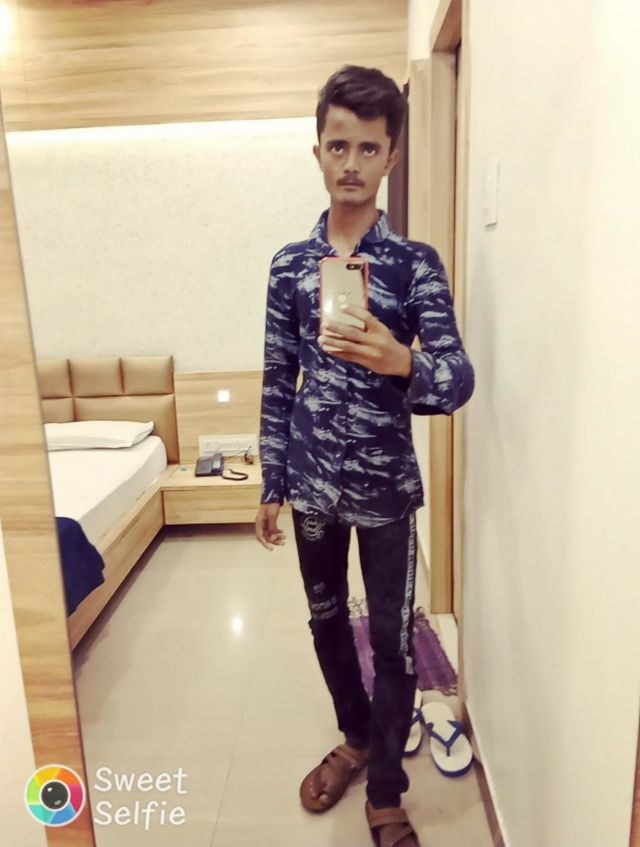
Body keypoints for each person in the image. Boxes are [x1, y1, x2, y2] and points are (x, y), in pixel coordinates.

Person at [255, 64, 475, 847]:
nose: (351, 163)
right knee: (324, 622)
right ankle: (354, 736)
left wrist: (401, 360)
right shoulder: (289, 265)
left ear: (392, 156)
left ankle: (386, 788)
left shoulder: (415, 265)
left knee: (392, 638)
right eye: (337, 145)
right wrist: (272, 480)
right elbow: (277, 376)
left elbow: (458, 379)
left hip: (387, 491)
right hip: (311, 484)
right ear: (317, 150)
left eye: (369, 148)